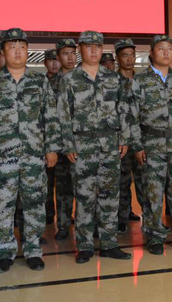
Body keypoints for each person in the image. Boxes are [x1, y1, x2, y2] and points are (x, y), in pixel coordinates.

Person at [0, 28, 60, 273]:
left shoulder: (39, 81)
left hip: (34, 155)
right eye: (12, 47)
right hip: (2, 156)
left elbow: (50, 117)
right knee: (2, 204)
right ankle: (5, 252)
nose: (17, 52)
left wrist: (51, 148)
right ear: (3, 52)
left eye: (22, 47)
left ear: (27, 51)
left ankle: (33, 250)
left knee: (34, 203)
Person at [57, 31, 132, 263]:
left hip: (110, 146)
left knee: (110, 196)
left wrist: (125, 138)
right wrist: (68, 143)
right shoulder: (69, 79)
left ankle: (109, 244)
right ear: (80, 49)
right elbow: (63, 114)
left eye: (98, 47)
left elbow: (124, 109)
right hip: (82, 148)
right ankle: (86, 246)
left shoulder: (113, 79)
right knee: (85, 198)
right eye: (88, 47)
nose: (93, 51)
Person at [129, 35, 172, 255]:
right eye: (161, 49)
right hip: (152, 146)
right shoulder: (140, 81)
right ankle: (155, 237)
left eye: (169, 49)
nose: (166, 53)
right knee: (153, 195)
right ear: (151, 53)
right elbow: (131, 117)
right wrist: (138, 146)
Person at [49, 38, 78, 240]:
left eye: (72, 53)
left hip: (83, 143)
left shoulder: (83, 79)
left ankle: (89, 225)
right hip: (60, 145)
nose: (69, 57)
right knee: (63, 188)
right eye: (65, 53)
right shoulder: (50, 83)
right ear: (58, 57)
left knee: (86, 187)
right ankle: (63, 225)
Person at [115, 38, 141, 231]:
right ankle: (121, 219)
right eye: (125, 55)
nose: (129, 59)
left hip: (143, 140)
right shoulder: (111, 82)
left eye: (132, 55)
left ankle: (150, 221)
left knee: (145, 182)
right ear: (118, 58)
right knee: (122, 183)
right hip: (121, 141)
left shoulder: (142, 81)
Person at [43, 49, 61, 224]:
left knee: (64, 185)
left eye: (57, 60)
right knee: (45, 182)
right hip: (46, 142)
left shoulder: (67, 82)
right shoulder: (41, 83)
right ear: (44, 63)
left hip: (65, 142)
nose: (55, 63)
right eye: (51, 60)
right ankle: (48, 215)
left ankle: (64, 218)